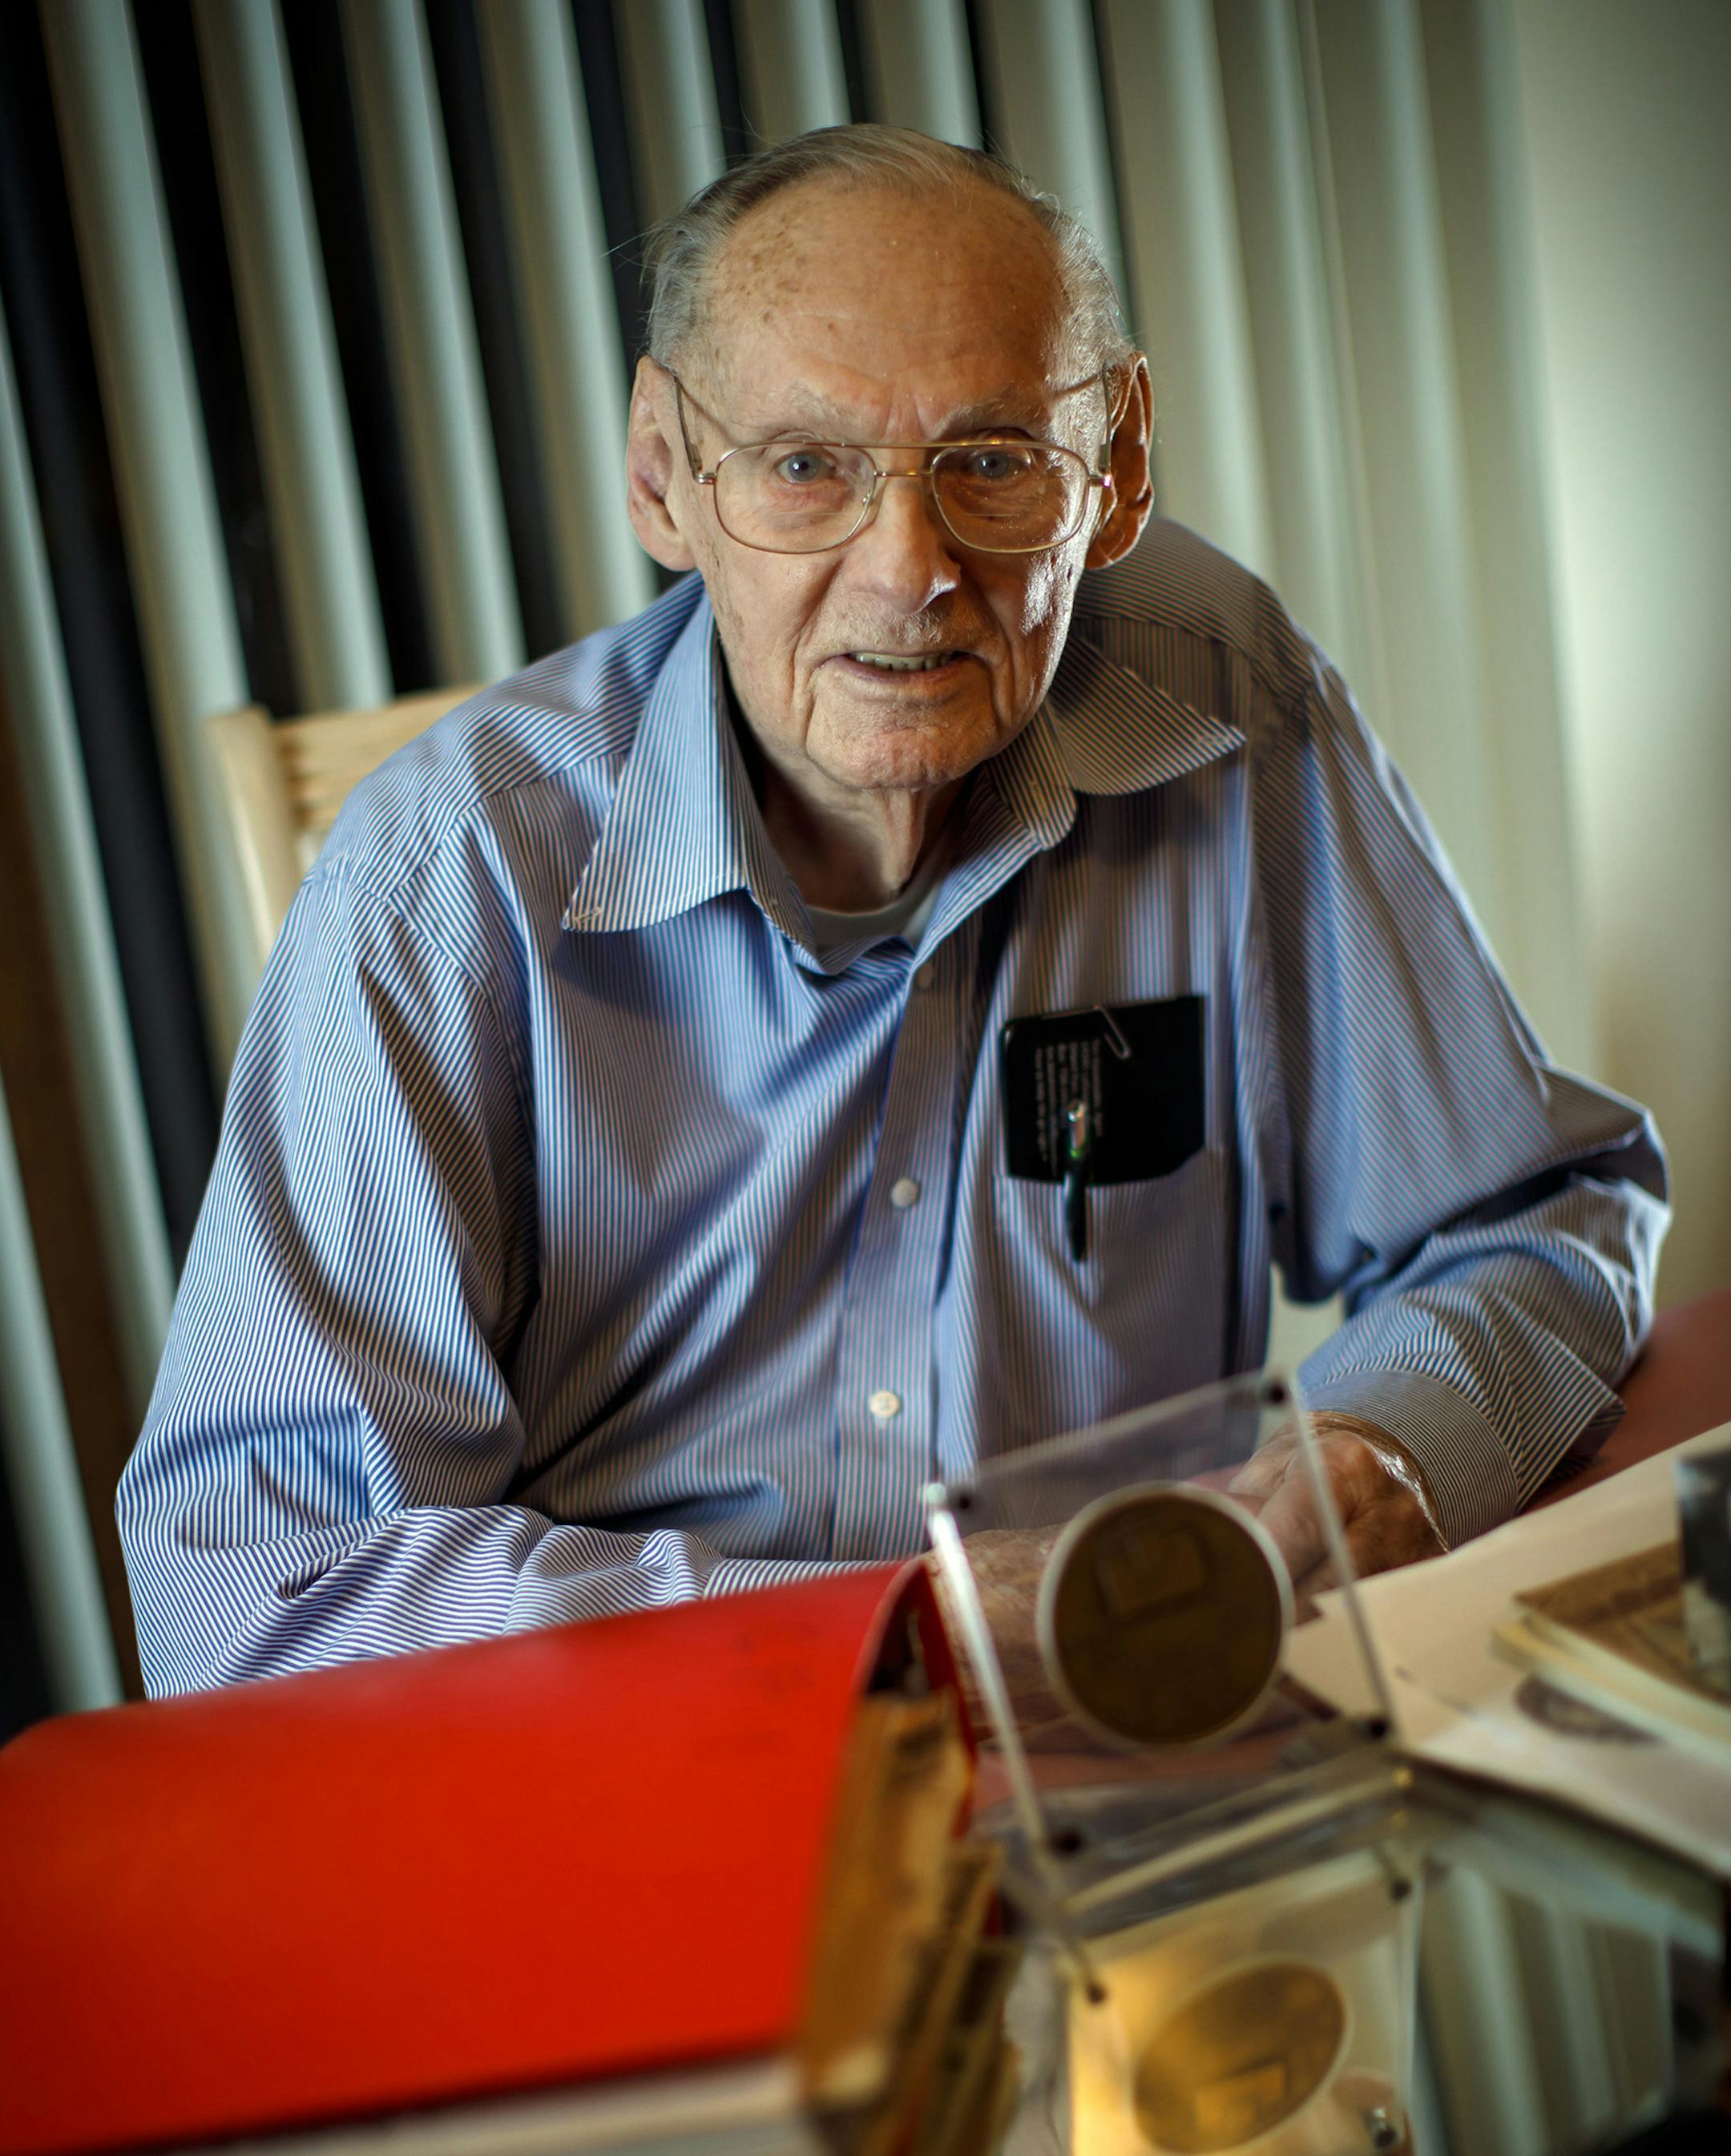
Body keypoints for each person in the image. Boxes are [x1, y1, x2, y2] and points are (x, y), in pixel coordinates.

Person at [117, 127, 1666, 1699]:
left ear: (1116, 467)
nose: (909, 570)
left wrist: (1376, 1451)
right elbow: (259, 1597)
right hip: (653, 1779)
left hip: (1138, 1738)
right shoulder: (438, 879)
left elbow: (1534, 1215)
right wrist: (901, 1626)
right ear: (666, 474)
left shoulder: (1221, 694)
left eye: (992, 458)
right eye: (806, 466)